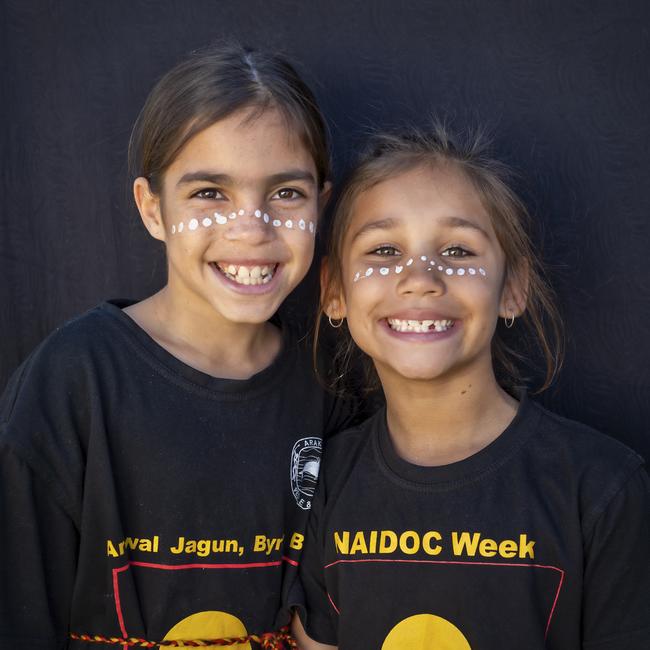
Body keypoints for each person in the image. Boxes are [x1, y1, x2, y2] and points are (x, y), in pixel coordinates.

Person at [0, 43, 359, 648]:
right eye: (209, 194)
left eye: (285, 193)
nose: (251, 228)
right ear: (152, 208)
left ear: (320, 205)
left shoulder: (329, 393)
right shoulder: (73, 383)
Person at [291, 125, 650, 649]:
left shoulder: (600, 490)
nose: (420, 277)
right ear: (333, 292)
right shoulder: (325, 482)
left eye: (458, 251)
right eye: (384, 250)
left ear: (513, 288)